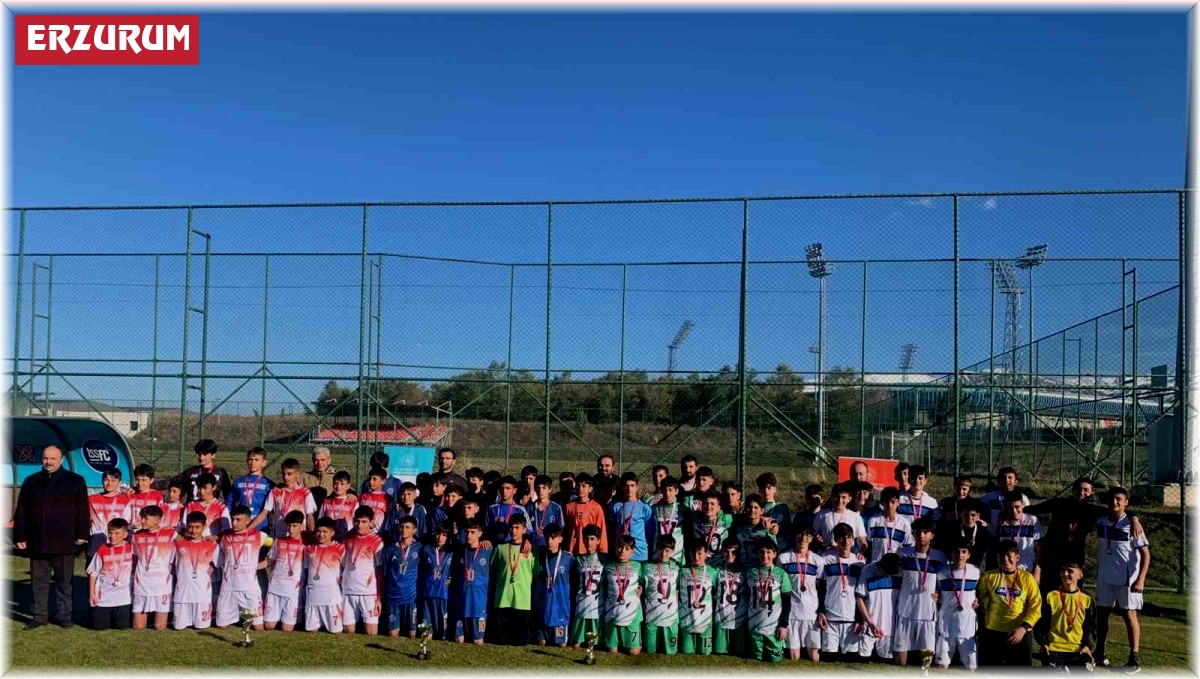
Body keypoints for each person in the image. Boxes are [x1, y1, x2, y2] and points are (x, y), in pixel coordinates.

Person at [1094, 486, 1150, 672]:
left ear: (1126, 502)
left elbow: (1146, 555)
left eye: (1119, 499)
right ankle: (1099, 653)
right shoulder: (1101, 521)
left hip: (1127, 579)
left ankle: (1134, 659)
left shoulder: (1132, 525)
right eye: (1111, 499)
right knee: (1101, 616)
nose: (1114, 502)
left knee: (1129, 615)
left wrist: (1141, 579)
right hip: (1105, 578)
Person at [1026, 476, 1108, 592]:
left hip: (1075, 555)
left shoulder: (1093, 510)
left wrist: (1134, 519)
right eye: (1078, 489)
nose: (1081, 492)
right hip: (1053, 554)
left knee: (1073, 590)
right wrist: (1006, 513)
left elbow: (1120, 512)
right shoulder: (1059, 503)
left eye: (1086, 490)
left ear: (1092, 493)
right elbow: (1032, 509)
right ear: (1073, 489)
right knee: (1048, 589)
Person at [977, 540, 1041, 666]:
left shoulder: (1027, 578)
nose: (1005, 560)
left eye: (1009, 556)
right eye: (1001, 556)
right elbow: (977, 598)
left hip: (1019, 633)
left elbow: (1036, 607)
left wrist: (1023, 628)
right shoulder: (988, 577)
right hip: (993, 632)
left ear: (1017, 557)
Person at [893, 518, 946, 668]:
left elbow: (948, 583)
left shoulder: (940, 557)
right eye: (918, 532)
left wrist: (941, 596)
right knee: (899, 660)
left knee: (926, 660)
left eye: (926, 532)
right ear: (913, 533)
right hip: (905, 611)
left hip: (928, 613)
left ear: (932, 535)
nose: (921, 535)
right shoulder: (902, 553)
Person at [1034, 561, 1098, 669]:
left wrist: (1087, 646)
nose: (1065, 574)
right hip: (1053, 650)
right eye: (1063, 571)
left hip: (1078, 650)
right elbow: (1040, 622)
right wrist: (1043, 643)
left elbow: (1091, 626)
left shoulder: (1087, 599)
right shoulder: (1050, 596)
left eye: (1070, 571)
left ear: (1080, 575)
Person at [215, 505, 269, 631]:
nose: (234, 523)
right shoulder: (225, 537)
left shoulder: (259, 536)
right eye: (233, 519)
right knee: (221, 626)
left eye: (238, 520)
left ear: (248, 520)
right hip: (229, 587)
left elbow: (277, 545)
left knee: (258, 627)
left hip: (249, 588)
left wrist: (266, 562)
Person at [818, 523, 866, 661]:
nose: (846, 541)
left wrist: (859, 618)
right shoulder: (825, 560)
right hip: (830, 619)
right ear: (836, 540)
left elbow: (861, 594)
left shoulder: (859, 562)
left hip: (851, 620)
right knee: (829, 658)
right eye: (842, 538)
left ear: (853, 540)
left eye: (849, 537)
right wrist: (821, 611)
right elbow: (821, 587)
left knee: (850, 659)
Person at [491, 513, 538, 646]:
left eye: (517, 527)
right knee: (501, 639)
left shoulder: (532, 550)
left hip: (522, 598)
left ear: (524, 529)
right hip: (503, 597)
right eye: (511, 527)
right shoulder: (501, 548)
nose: (513, 531)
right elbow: (494, 570)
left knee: (521, 640)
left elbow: (535, 573)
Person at [777, 524, 822, 662]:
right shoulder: (783, 558)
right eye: (800, 534)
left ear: (812, 538)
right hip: (792, 613)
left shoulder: (818, 561)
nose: (803, 538)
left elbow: (819, 587)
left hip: (811, 613)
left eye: (807, 535)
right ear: (794, 535)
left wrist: (821, 611)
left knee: (814, 657)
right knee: (794, 657)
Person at [933, 539, 980, 671]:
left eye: (964, 552)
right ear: (951, 553)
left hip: (967, 624)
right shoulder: (941, 572)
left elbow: (979, 592)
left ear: (969, 555)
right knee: (942, 665)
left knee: (971, 666)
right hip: (946, 622)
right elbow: (934, 592)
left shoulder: (976, 571)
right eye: (957, 551)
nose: (960, 555)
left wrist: (977, 600)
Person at [746, 537, 792, 663]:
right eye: (761, 552)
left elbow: (787, 602)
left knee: (775, 659)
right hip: (754, 623)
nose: (764, 555)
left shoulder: (781, 574)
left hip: (773, 625)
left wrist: (783, 625)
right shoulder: (751, 572)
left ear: (775, 554)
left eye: (768, 552)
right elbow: (746, 596)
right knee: (756, 659)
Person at [172, 512, 220, 631]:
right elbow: (170, 563)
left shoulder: (212, 544)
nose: (193, 530)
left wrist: (210, 570)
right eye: (191, 527)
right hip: (182, 593)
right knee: (178, 627)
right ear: (187, 526)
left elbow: (218, 563)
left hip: (202, 592)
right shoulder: (178, 543)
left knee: (201, 627)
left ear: (204, 527)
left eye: (197, 527)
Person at [342, 506, 386, 636]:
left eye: (364, 522)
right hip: (348, 591)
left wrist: (379, 598)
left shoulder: (377, 541)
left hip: (368, 592)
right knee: (348, 631)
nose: (359, 525)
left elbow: (380, 572)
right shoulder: (348, 537)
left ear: (372, 522)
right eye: (357, 521)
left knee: (371, 633)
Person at [130, 505, 175, 630]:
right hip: (142, 585)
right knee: (138, 627)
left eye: (145, 518)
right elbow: (134, 557)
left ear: (157, 520)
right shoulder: (136, 536)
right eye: (141, 518)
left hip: (161, 586)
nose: (142, 521)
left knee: (160, 627)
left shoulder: (171, 534)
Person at [854, 552, 902, 663]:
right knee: (862, 662)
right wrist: (869, 622)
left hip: (891, 626)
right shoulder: (867, 570)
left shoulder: (900, 570)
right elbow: (859, 597)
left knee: (886, 663)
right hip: (870, 624)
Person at [87, 517, 133, 630]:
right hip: (104, 598)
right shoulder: (102, 549)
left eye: (117, 533)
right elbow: (93, 573)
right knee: (99, 628)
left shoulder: (131, 547)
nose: (112, 536)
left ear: (125, 534)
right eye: (110, 533)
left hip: (124, 598)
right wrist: (92, 594)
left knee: (122, 627)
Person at [263, 510, 307, 632]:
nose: (291, 529)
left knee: (287, 629)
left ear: (301, 526)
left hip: (293, 591)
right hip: (275, 588)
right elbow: (269, 561)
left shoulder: (306, 544)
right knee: (268, 626)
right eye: (289, 526)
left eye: (294, 526)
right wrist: (252, 567)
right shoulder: (279, 541)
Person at [601, 534, 644, 655]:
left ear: (633, 551)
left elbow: (643, 582)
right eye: (620, 547)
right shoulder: (608, 567)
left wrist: (641, 588)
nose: (622, 551)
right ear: (615, 548)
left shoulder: (638, 566)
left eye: (627, 548)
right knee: (612, 651)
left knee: (634, 652)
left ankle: (635, 643)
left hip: (632, 614)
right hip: (612, 613)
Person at [452, 520, 492, 645]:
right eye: (467, 532)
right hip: (462, 598)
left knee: (478, 641)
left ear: (480, 533)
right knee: (459, 640)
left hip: (478, 599)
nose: (468, 535)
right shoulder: (459, 551)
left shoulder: (488, 550)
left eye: (473, 532)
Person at [382, 515, 423, 638]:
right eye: (401, 527)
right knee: (393, 635)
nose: (404, 530)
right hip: (393, 596)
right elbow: (384, 572)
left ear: (414, 530)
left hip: (411, 597)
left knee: (412, 634)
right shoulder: (390, 549)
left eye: (407, 527)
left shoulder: (420, 548)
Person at [304, 517, 346, 633]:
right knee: (311, 630)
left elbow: (345, 568)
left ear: (332, 533)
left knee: (335, 631)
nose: (321, 534)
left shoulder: (340, 548)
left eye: (325, 532)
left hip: (332, 596)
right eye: (318, 531)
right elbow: (306, 569)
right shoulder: (309, 549)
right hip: (313, 595)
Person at [535, 523, 574, 648]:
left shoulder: (568, 558)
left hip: (560, 608)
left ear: (560, 539)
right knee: (541, 644)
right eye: (547, 538)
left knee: (561, 645)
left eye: (553, 538)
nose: (549, 541)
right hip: (543, 608)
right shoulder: (539, 554)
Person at [257, 458, 317, 537]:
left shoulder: (305, 493)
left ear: (297, 474)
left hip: (299, 538)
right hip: (280, 536)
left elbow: (309, 516)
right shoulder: (275, 492)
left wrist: (312, 534)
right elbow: (264, 513)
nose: (285, 477)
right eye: (283, 473)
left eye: (289, 474)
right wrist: (248, 528)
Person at [642, 535, 681, 655]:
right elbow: (638, 583)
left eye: (667, 550)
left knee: (671, 652)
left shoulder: (678, 568)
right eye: (660, 549)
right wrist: (639, 587)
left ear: (673, 551)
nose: (663, 553)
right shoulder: (646, 567)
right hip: (652, 615)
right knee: (650, 651)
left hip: (670, 615)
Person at [678, 542, 718, 656]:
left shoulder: (713, 572)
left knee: (705, 653)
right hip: (687, 619)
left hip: (705, 620)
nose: (696, 557)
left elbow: (717, 594)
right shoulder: (683, 571)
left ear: (706, 553)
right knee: (687, 652)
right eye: (693, 553)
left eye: (700, 553)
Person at [569, 524, 605, 649]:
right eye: (586, 539)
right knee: (576, 645)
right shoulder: (578, 559)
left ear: (598, 540)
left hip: (597, 607)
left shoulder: (604, 560)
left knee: (594, 645)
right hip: (581, 605)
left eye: (592, 539)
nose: (589, 542)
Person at [993, 491, 1043, 579]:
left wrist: (1037, 571)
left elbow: (1039, 549)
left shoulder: (1032, 520)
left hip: (1028, 570)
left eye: (1017, 507)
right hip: (1007, 570)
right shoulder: (1002, 522)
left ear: (1023, 504)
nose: (1014, 511)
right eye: (1009, 507)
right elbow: (999, 548)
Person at [419, 522, 454, 640]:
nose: (440, 538)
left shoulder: (453, 552)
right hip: (428, 593)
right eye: (438, 534)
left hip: (444, 594)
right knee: (426, 634)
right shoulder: (426, 549)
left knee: (443, 635)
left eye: (444, 535)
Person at [936, 499, 996, 568]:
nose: (969, 518)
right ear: (961, 514)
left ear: (978, 516)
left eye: (973, 515)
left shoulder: (983, 532)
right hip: (954, 566)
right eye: (966, 515)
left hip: (974, 568)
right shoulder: (952, 529)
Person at [713, 536, 747, 656]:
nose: (729, 555)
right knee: (719, 652)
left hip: (739, 616)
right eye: (726, 551)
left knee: (740, 652)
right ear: (722, 551)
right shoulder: (716, 569)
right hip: (721, 615)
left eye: (733, 552)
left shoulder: (745, 571)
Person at [87, 469, 132, 558]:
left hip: (116, 539)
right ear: (102, 481)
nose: (109, 483)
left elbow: (126, 522)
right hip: (97, 538)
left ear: (119, 482)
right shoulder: (91, 499)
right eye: (106, 480)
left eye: (113, 480)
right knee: (93, 569)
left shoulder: (125, 500)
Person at [609, 472, 653, 561]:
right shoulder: (616, 507)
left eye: (632, 485)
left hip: (639, 553)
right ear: (622, 487)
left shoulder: (644, 507)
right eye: (626, 486)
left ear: (637, 487)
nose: (629, 489)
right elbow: (613, 528)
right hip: (622, 553)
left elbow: (649, 532)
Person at [812, 483, 867, 554]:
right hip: (827, 557)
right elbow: (812, 537)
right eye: (837, 497)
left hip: (847, 557)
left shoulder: (855, 517)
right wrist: (818, 543)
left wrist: (860, 553)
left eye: (843, 497)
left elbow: (863, 542)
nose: (840, 500)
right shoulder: (822, 515)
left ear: (849, 498)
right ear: (831, 497)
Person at [566, 473, 608, 555]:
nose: (580, 488)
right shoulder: (569, 506)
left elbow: (601, 530)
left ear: (590, 489)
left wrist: (603, 551)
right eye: (578, 485)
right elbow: (566, 530)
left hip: (589, 550)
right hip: (572, 549)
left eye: (584, 486)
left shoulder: (596, 507)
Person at [866, 487, 912, 563]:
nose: (889, 505)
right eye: (886, 502)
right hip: (876, 566)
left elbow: (907, 548)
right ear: (881, 502)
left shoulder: (905, 524)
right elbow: (869, 546)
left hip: (895, 568)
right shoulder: (873, 521)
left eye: (893, 502)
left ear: (898, 502)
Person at [231, 447, 274, 525]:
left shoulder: (269, 484)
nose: (253, 463)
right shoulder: (238, 482)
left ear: (264, 463)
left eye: (256, 460)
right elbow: (230, 503)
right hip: (240, 526)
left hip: (261, 527)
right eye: (250, 459)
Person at [650, 476, 687, 564]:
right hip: (658, 554)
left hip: (676, 556)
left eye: (670, 490)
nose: (667, 493)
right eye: (664, 490)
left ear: (676, 491)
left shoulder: (683, 509)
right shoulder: (654, 508)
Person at [735, 493, 777, 566]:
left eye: (756, 507)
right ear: (745, 509)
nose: (752, 510)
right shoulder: (739, 528)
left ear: (762, 511)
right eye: (749, 507)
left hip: (760, 570)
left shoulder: (767, 528)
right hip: (743, 569)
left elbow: (774, 551)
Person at [183, 473, 231, 538]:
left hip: (212, 546)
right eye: (199, 487)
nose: (201, 491)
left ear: (214, 487)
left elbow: (227, 530)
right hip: (193, 545)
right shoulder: (190, 505)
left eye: (205, 488)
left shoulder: (221, 507)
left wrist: (216, 537)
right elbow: (183, 527)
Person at [691, 493, 733, 564]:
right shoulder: (695, 517)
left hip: (718, 564)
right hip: (699, 562)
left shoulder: (726, 519)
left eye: (712, 504)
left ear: (718, 508)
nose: (708, 506)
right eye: (706, 503)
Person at [486, 475, 528, 545]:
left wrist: (527, 541)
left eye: (508, 488)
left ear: (514, 490)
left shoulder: (520, 510)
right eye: (502, 488)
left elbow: (529, 530)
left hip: (512, 546)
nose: (504, 491)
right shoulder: (492, 509)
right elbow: (486, 528)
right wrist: (485, 538)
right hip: (494, 546)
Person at [318, 470, 359, 541]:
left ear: (348, 486)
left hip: (346, 537)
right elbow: (320, 519)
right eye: (336, 483)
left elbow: (356, 521)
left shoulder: (353, 501)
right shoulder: (326, 501)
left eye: (342, 484)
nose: (338, 486)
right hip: (329, 538)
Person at [526, 474, 564, 548]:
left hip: (550, 547)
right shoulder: (529, 508)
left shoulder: (556, 508)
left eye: (544, 488)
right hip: (532, 546)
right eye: (538, 488)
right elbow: (525, 528)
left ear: (550, 489)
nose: (540, 491)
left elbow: (561, 529)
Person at [127, 463, 164, 531]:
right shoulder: (130, 494)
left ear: (151, 480)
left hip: (150, 533)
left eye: (143, 480)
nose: (140, 483)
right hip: (133, 532)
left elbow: (161, 518)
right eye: (137, 479)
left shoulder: (157, 496)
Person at [358, 467, 392, 535]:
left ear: (383, 481)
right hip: (364, 533)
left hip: (380, 534)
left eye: (374, 479)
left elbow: (389, 517)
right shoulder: (362, 497)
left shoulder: (387, 498)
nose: (371, 481)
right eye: (370, 479)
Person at [757, 472, 791, 537]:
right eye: (762, 488)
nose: (766, 491)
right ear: (759, 490)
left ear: (775, 489)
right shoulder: (756, 507)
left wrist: (778, 527)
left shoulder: (782, 506)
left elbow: (787, 525)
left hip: (780, 543)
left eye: (769, 488)